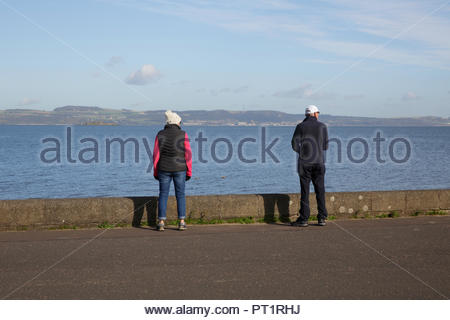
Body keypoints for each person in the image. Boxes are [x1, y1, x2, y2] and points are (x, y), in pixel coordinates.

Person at [153, 110, 192, 231]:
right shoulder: (183, 134)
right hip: (180, 169)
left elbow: (156, 155)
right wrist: (189, 171)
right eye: (180, 122)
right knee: (180, 195)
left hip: (163, 168)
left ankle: (161, 221)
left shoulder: (160, 134)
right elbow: (188, 155)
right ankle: (181, 221)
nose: (181, 124)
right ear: (176, 122)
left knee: (163, 194)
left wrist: (155, 171)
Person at [291, 105, 329, 227]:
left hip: (304, 163)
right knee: (320, 190)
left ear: (306, 115)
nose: (318, 114)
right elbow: (325, 146)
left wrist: (303, 152)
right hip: (319, 162)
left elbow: (294, 144)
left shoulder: (300, 126)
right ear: (315, 114)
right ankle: (322, 218)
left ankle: (304, 219)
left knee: (305, 191)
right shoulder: (322, 126)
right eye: (318, 112)